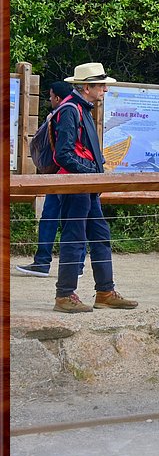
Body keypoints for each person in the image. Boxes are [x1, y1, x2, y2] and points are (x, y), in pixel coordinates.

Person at [52, 62, 138, 313]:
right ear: (86, 86)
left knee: (100, 236)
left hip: (86, 185)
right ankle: (64, 296)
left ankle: (105, 291)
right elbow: (64, 154)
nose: (105, 89)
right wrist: (93, 173)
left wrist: (93, 175)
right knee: (74, 239)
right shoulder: (71, 110)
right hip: (77, 185)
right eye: (101, 85)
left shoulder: (80, 108)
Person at [17, 81, 87, 278]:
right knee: (72, 220)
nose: (50, 100)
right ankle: (75, 265)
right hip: (72, 175)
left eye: (50, 96)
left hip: (63, 174)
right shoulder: (79, 111)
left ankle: (44, 262)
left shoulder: (63, 113)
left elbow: (62, 149)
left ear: (57, 97)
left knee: (54, 218)